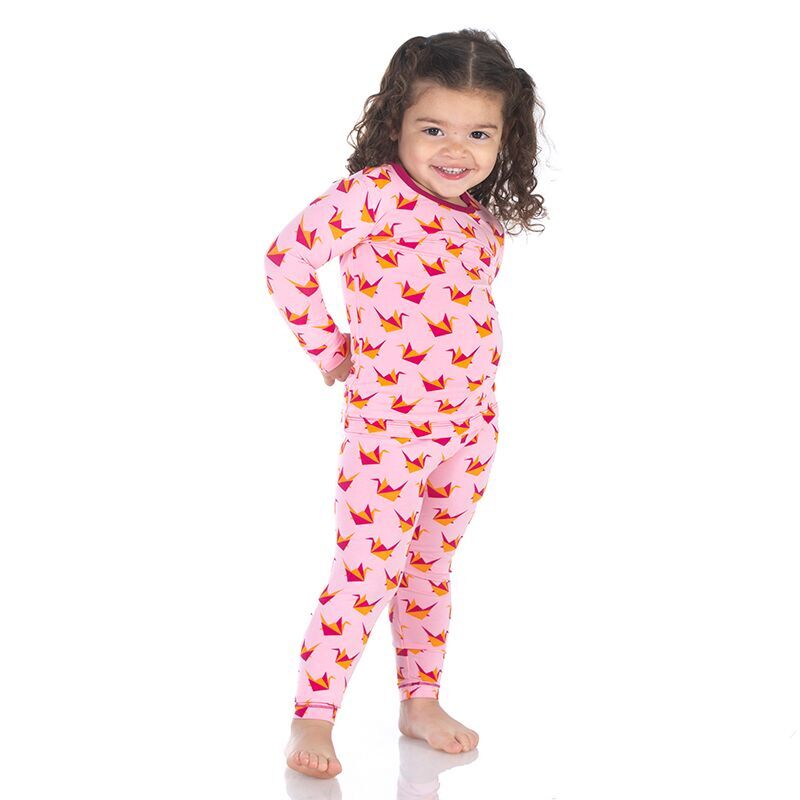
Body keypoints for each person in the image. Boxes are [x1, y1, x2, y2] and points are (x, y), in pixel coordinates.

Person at [263, 28, 546, 780]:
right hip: (388, 432)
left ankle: (420, 700)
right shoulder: (369, 196)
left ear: (504, 139)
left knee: (430, 569)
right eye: (434, 128)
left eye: (479, 133)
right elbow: (287, 260)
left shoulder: (481, 223)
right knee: (365, 571)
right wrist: (330, 347)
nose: (456, 149)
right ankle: (313, 714)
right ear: (397, 123)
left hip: (471, 430)